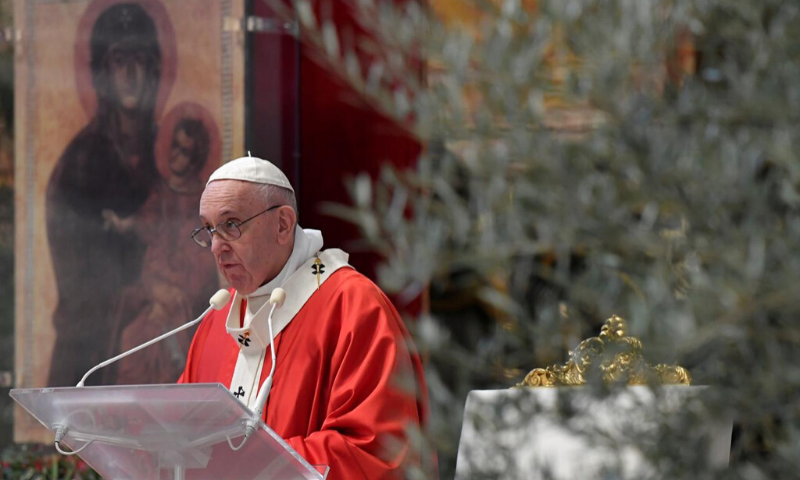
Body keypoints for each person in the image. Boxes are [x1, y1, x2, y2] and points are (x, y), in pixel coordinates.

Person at [179, 156, 433, 479]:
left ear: (283, 225)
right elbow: (179, 434)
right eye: (209, 229)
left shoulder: (352, 306)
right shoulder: (215, 321)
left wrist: (249, 465)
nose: (217, 247)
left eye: (231, 225)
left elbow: (376, 451)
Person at [46, 2, 162, 386]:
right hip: (93, 355)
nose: (129, 74)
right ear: (102, 74)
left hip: (159, 345)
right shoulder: (79, 165)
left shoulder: (172, 153)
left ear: (153, 71)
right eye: (118, 61)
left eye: (139, 60)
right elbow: (78, 282)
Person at [100, 118, 218, 384]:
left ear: (195, 159)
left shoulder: (201, 201)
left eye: (184, 151)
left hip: (181, 291)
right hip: (154, 282)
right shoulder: (162, 193)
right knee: (132, 338)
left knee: (155, 342)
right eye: (174, 146)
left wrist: (173, 292)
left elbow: (202, 259)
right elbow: (146, 221)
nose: (175, 155)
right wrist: (122, 224)